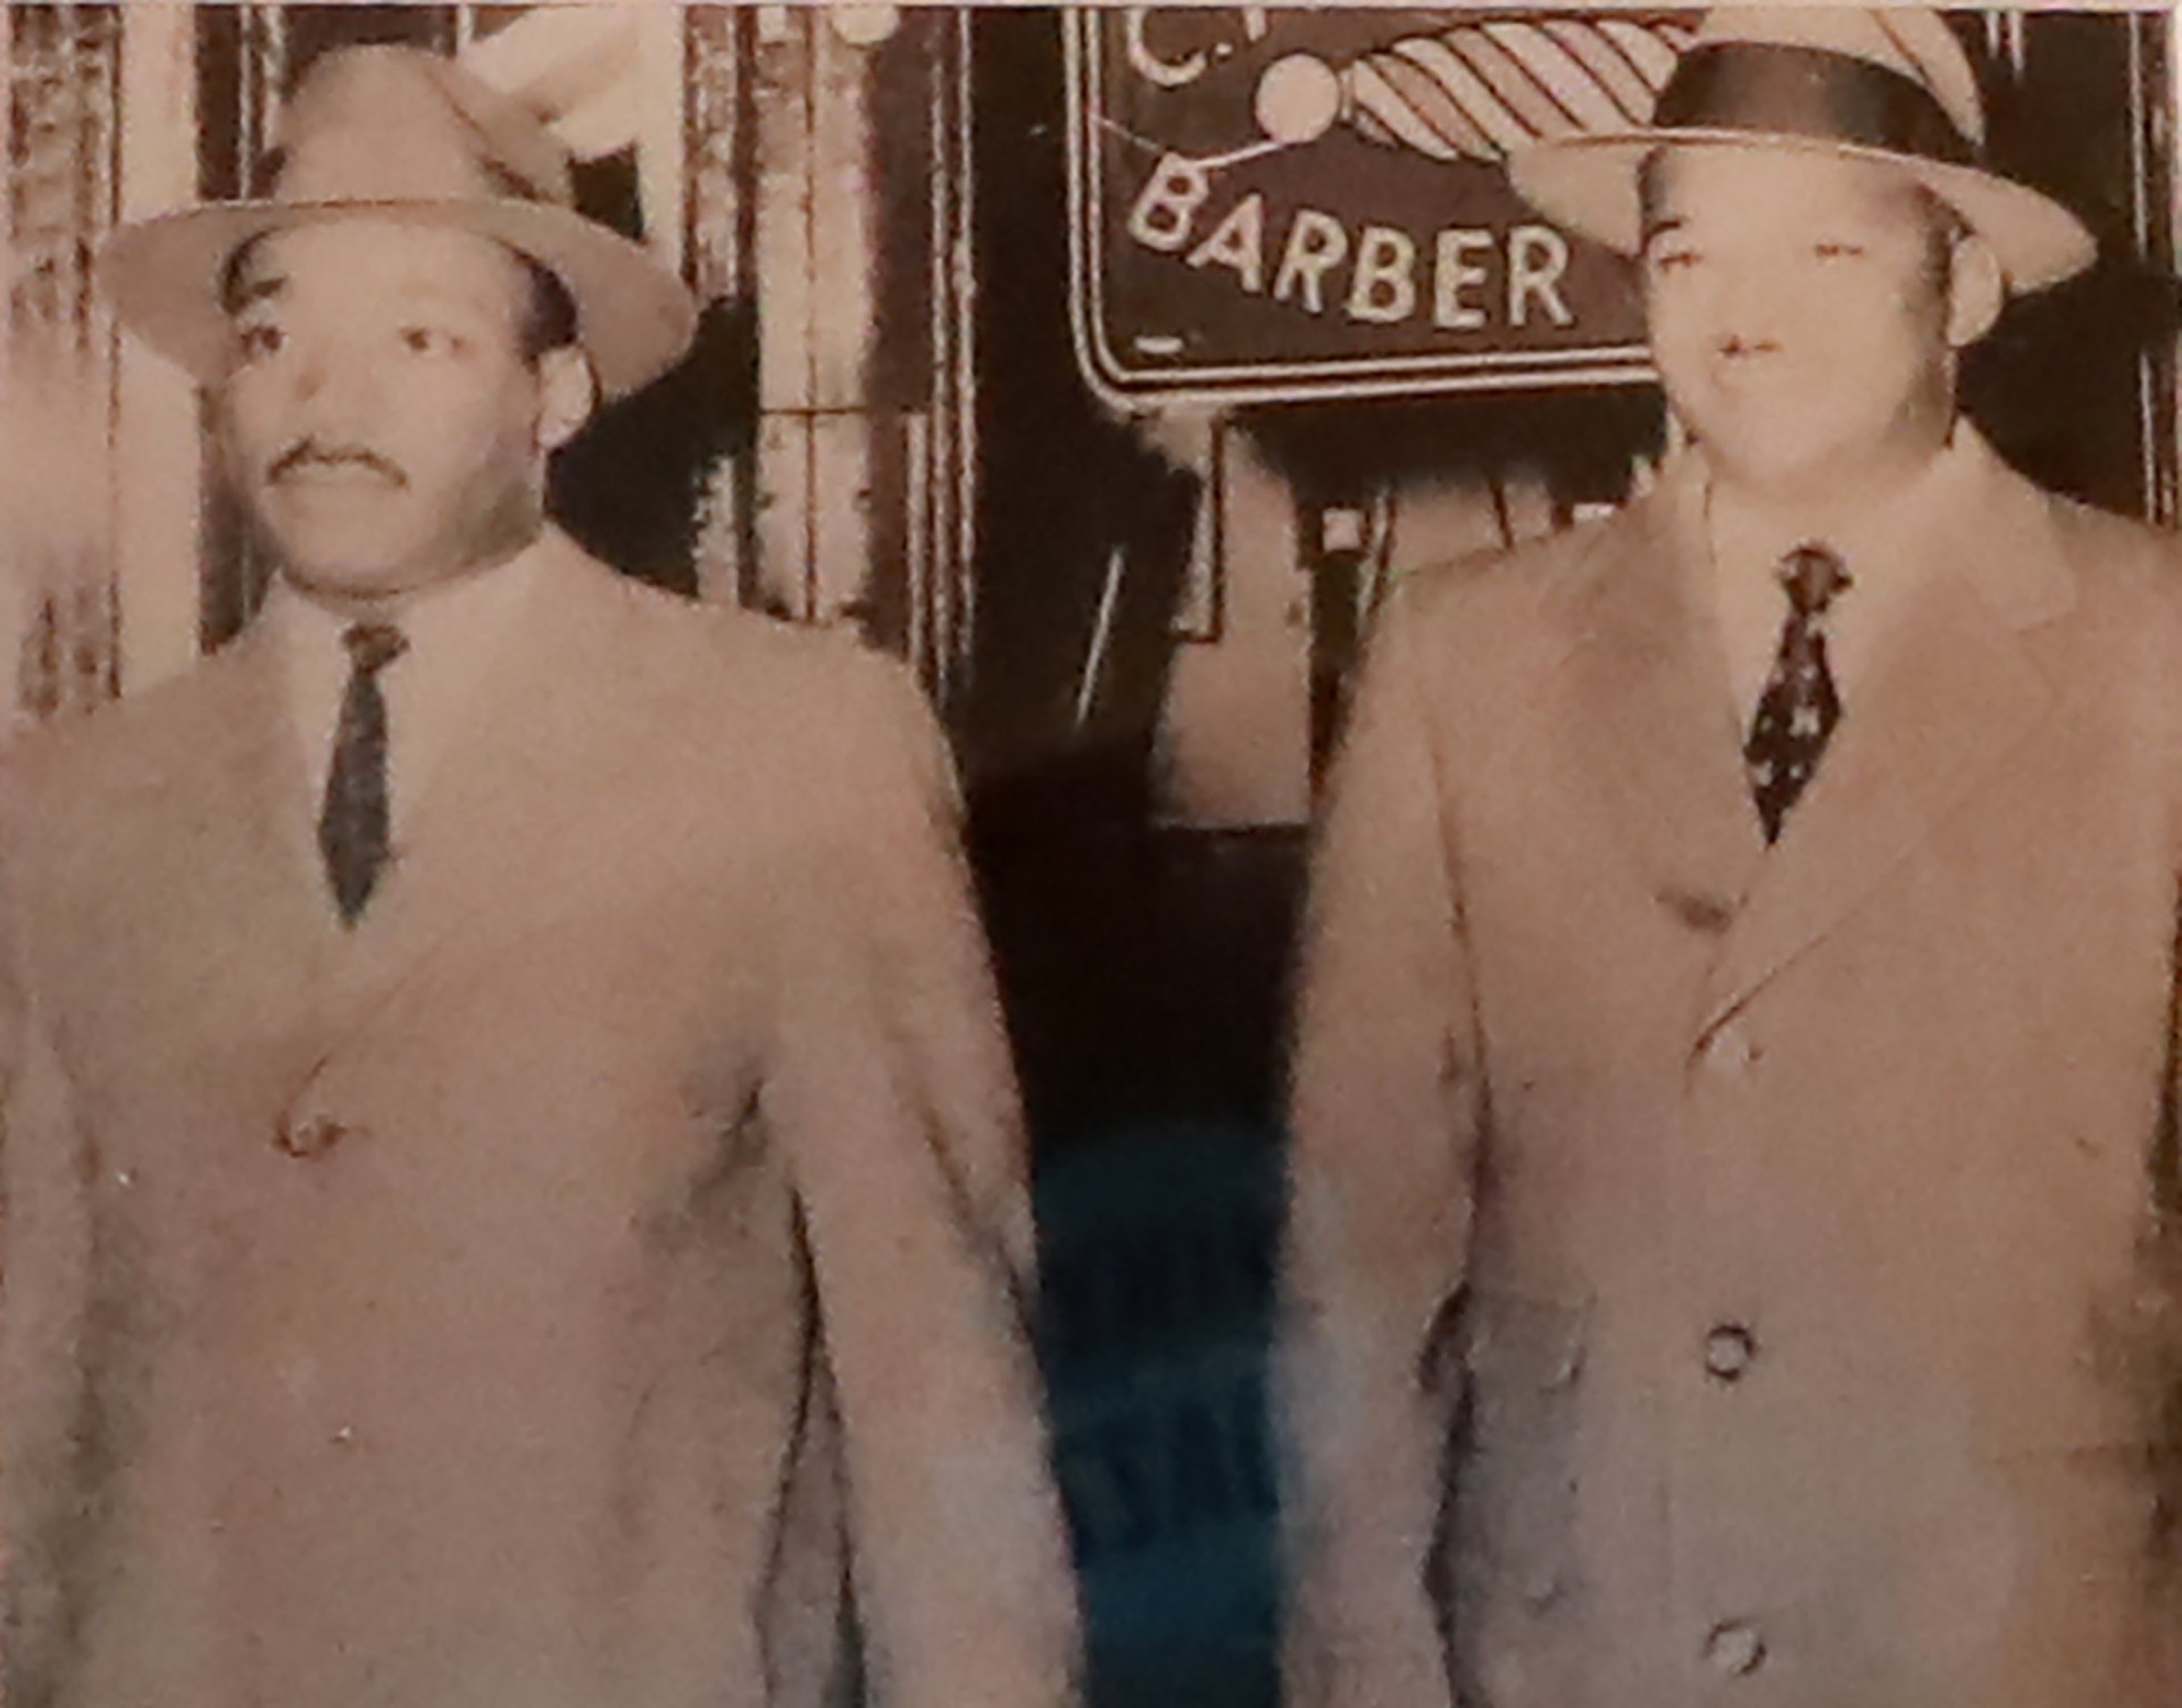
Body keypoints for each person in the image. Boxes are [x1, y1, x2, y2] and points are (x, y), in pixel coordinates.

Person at [0, 45, 1079, 1708]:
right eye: (276, 334)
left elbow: (944, 1396)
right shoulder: (69, 812)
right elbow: (29, 1394)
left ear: (553, 400)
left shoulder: (794, 753)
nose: (327, 402)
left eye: (419, 337)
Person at [1277, 10, 2182, 1707]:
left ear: (1966, 290)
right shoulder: (1459, 663)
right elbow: (1362, 1260)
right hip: (1570, 1653)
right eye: (1689, 255)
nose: (1745, 317)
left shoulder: (2156, 657)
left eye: (1828, 250)